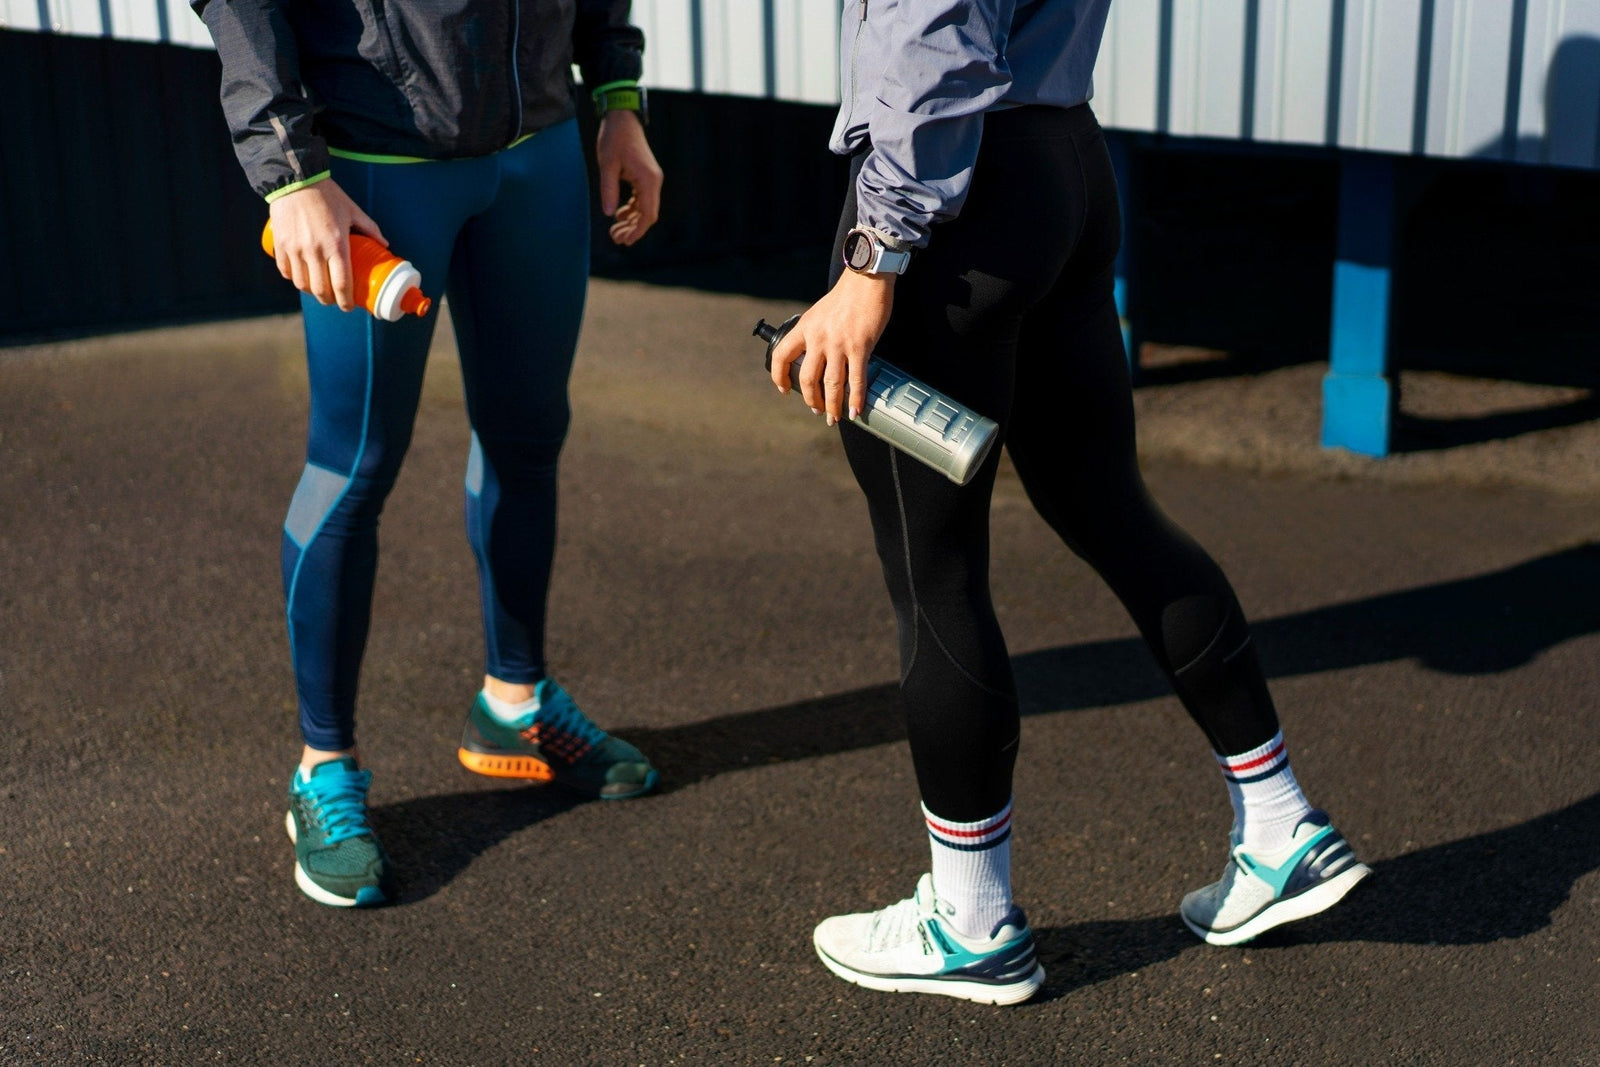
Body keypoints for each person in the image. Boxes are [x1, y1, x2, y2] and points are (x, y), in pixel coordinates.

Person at [769, 0, 1368, 1004]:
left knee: (936, 572)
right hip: (1061, 166)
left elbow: (935, 38)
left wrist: (874, 254)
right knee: (1112, 509)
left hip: (950, 203)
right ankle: (1280, 824)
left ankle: (970, 920)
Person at [193, 0, 665, 907]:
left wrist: (618, 96)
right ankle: (322, 768)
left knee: (530, 438)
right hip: (380, 157)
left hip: (538, 142)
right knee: (353, 471)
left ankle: (515, 703)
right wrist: (289, 172)